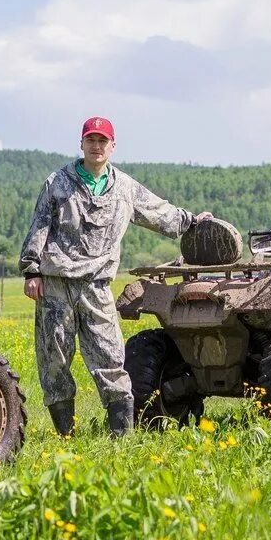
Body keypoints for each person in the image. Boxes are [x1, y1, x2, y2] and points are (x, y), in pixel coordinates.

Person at [19, 116, 211, 437]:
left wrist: (191, 221)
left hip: (97, 286)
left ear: (112, 146)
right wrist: (31, 270)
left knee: (111, 358)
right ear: (81, 144)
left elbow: (158, 211)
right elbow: (39, 226)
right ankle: (67, 437)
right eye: (91, 140)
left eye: (102, 141)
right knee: (54, 363)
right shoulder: (58, 183)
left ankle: (121, 439)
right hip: (56, 286)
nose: (96, 146)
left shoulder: (125, 187)